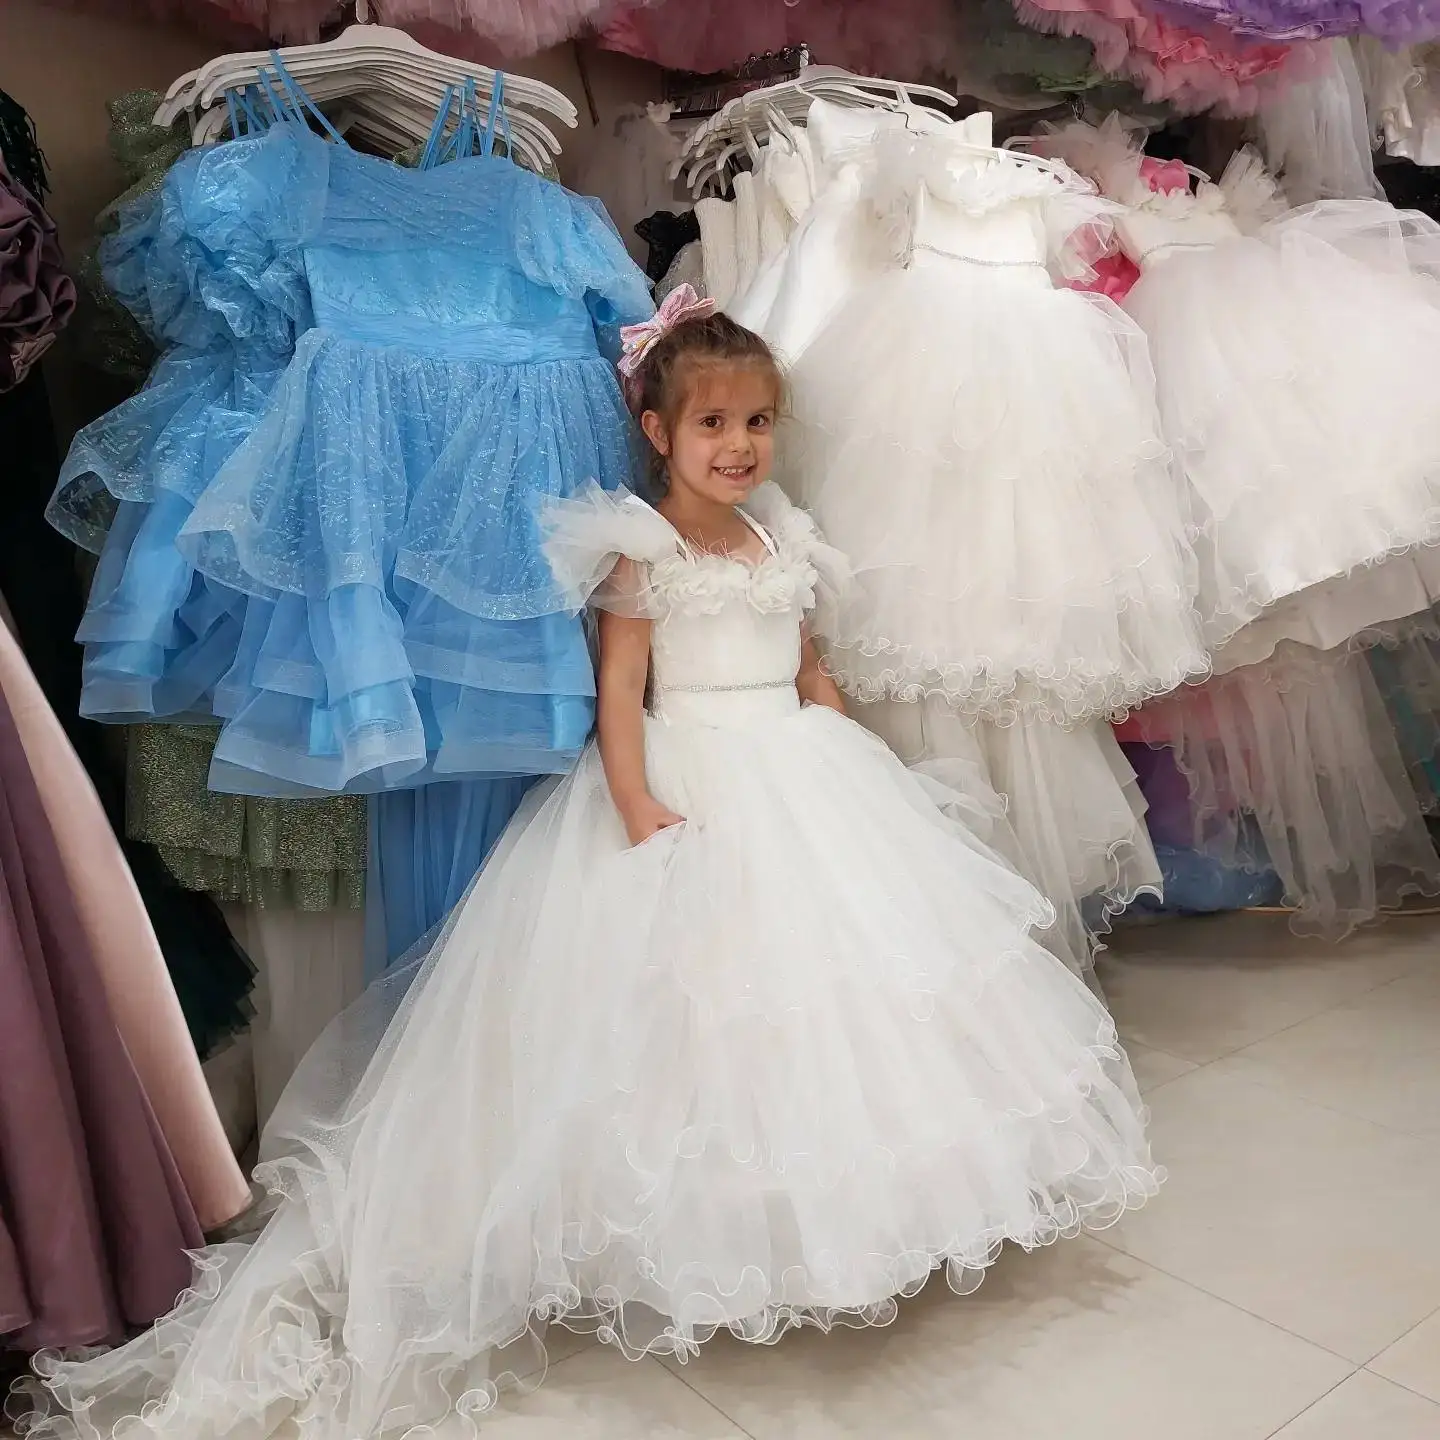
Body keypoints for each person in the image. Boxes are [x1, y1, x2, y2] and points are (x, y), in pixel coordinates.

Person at [11, 288, 1160, 1440]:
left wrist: (852, 749)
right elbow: (621, 693)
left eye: (758, 424)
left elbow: (811, 665)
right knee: (694, 1010)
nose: (740, 447)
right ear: (659, 432)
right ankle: (697, 1228)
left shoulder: (784, 535)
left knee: (845, 1004)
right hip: (688, 771)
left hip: (804, 769)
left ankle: (858, 1214)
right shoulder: (637, 548)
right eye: (713, 425)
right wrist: (636, 801)